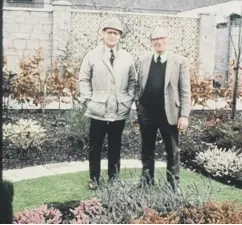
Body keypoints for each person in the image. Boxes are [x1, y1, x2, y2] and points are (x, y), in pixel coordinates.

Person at [79, 18, 137, 190]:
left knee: (115, 145)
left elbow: (133, 81)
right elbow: (83, 79)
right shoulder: (91, 56)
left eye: (116, 33)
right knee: (95, 146)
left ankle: (114, 177)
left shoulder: (127, 57)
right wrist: (88, 100)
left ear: (120, 37)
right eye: (109, 32)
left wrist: (128, 99)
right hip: (97, 109)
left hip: (119, 110)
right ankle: (94, 178)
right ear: (103, 34)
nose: (112, 36)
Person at [135, 27, 191, 191]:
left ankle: (173, 184)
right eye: (155, 39)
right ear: (151, 42)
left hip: (169, 114)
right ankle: (147, 181)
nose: (158, 41)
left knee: (172, 150)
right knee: (147, 149)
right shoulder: (143, 60)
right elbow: (139, 85)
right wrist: (138, 106)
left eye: (161, 38)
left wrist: (185, 115)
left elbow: (185, 91)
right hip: (146, 113)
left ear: (168, 39)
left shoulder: (180, 61)